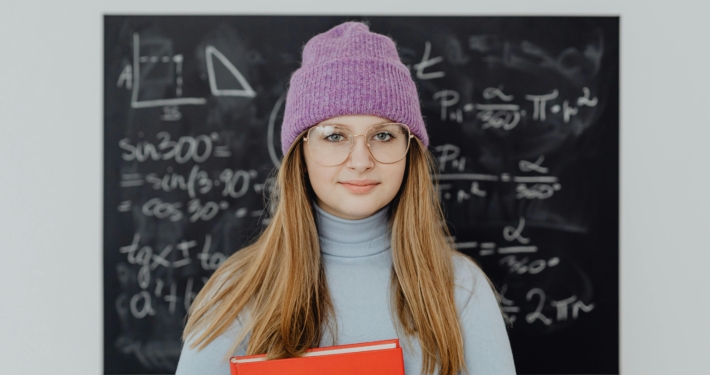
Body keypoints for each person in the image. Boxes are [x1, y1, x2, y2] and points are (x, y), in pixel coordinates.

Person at [176, 21, 516, 375]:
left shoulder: (461, 289)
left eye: (383, 135)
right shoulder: (236, 292)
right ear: (301, 153)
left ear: (409, 150)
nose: (360, 161)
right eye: (335, 136)